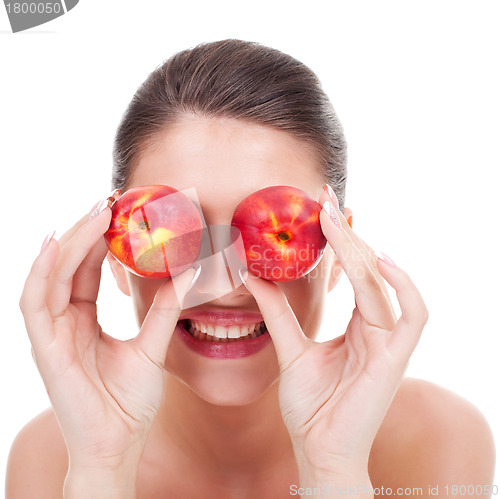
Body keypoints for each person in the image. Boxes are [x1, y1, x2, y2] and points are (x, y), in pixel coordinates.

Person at [6, 39, 495, 498]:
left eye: (277, 232)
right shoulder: (49, 459)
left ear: (341, 254)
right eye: (170, 230)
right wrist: (101, 467)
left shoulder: (439, 438)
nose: (224, 282)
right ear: (112, 254)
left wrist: (334, 470)